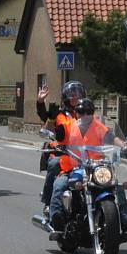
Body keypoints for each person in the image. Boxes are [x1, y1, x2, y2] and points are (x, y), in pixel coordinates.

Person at [48, 97, 127, 234]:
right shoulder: (70, 126)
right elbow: (58, 137)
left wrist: (125, 147)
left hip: (97, 167)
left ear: (92, 113)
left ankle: (125, 223)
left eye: (88, 112)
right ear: (77, 113)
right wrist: (55, 144)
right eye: (81, 111)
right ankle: (57, 223)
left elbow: (112, 137)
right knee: (59, 186)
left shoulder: (98, 126)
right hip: (74, 167)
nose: (84, 115)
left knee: (116, 186)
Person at [38, 81, 85, 215]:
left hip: (85, 155)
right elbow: (44, 117)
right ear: (66, 97)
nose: (75, 97)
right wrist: (40, 101)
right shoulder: (58, 114)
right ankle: (48, 202)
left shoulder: (87, 114)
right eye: (72, 94)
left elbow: (102, 131)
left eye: (78, 94)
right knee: (53, 164)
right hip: (63, 153)